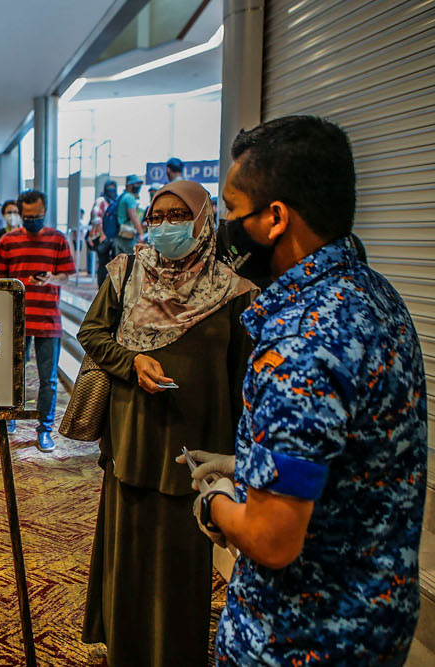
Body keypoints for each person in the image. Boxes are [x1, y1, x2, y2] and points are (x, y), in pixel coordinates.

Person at [185, 115, 428, 665]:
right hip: (374, 619)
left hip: (300, 638)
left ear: (274, 218)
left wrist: (216, 503)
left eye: (228, 209)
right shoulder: (371, 295)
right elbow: (347, 451)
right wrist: (251, 462)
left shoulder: (300, 342)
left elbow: (273, 539)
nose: (221, 227)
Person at [77, 179, 257, 666]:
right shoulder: (128, 272)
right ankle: (125, 650)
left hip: (199, 448)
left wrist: (240, 457)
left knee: (181, 563)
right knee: (129, 552)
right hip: (134, 439)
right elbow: (92, 333)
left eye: (178, 216)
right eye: (156, 217)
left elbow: (244, 377)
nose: (163, 226)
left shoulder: (234, 289)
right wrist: (131, 360)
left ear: (203, 221)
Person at [0, 190, 75, 451]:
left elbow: (66, 275)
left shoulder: (57, 239)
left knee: (48, 378)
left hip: (48, 318)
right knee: (14, 373)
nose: (33, 221)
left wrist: (51, 278)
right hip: (17, 319)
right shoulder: (7, 241)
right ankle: (12, 417)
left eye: (37, 216)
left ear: (45, 212)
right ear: (20, 214)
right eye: (27, 216)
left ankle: (44, 428)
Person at [89, 180, 119, 285]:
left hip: (111, 237)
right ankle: (101, 289)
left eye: (113, 187)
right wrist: (103, 235)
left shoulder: (115, 201)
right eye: (109, 187)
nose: (112, 189)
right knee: (103, 264)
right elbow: (96, 220)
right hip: (101, 237)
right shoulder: (101, 200)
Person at [113, 175, 144, 257]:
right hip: (127, 235)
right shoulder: (130, 197)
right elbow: (133, 216)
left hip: (119, 234)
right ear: (129, 185)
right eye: (136, 184)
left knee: (120, 264)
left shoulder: (122, 196)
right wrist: (141, 234)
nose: (138, 187)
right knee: (133, 261)